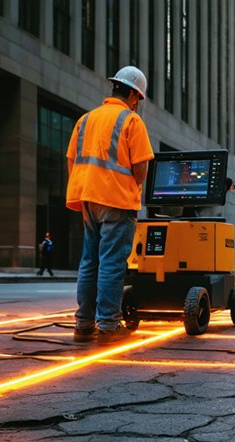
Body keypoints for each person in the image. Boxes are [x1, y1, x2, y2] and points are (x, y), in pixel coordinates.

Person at [66, 66, 154, 344]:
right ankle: (108, 325)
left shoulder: (85, 119)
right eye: (137, 98)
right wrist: (130, 185)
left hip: (88, 198)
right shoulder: (131, 121)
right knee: (112, 263)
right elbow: (141, 168)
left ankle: (83, 325)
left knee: (89, 261)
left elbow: (71, 159)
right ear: (133, 95)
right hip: (116, 200)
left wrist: (87, 186)